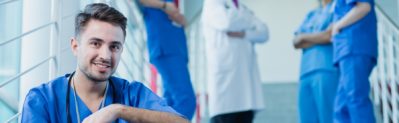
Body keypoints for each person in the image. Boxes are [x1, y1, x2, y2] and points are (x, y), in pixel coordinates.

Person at [21, 3, 189, 123]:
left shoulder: (132, 94)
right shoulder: (42, 100)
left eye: (114, 46)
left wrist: (117, 111)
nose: (106, 55)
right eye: (96, 43)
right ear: (75, 46)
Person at [201, 0, 269, 122]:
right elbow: (226, 22)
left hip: (247, 97)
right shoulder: (213, 3)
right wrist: (250, 21)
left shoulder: (242, 8)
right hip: (224, 93)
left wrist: (244, 33)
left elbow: (264, 32)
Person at [134, 0, 196, 120]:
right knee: (186, 101)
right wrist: (165, 6)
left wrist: (181, 19)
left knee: (170, 104)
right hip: (166, 46)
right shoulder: (164, 4)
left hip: (174, 46)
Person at [331, 0, 378, 122]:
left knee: (355, 99)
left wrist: (337, 25)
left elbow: (364, 6)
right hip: (347, 49)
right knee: (341, 107)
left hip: (353, 46)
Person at [293, 0, 338, 123]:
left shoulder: (337, 9)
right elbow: (296, 42)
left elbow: (329, 36)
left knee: (328, 118)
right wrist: (319, 37)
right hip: (305, 72)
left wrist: (304, 37)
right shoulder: (311, 14)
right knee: (306, 118)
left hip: (326, 69)